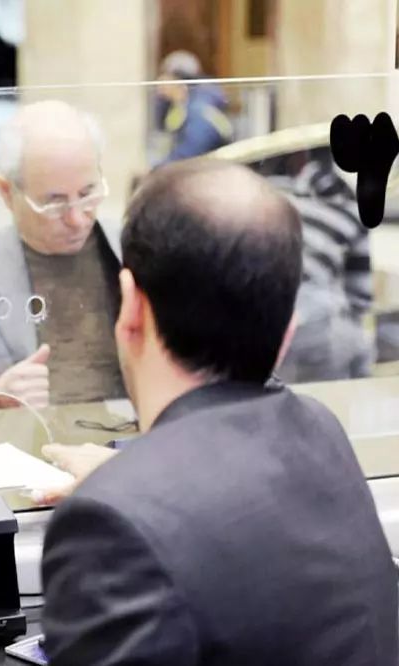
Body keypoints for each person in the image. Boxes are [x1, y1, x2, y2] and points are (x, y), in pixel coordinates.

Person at [39, 159, 398, 664]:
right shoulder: (320, 429)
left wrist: (129, 492)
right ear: (287, 331)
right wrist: (134, 482)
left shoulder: (109, 523)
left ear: (131, 307)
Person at [0, 101, 125, 412]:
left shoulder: (138, 252)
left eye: (88, 194)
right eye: (54, 203)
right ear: (5, 192)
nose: (77, 219)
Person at [265, 147, 375, 382]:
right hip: (321, 329)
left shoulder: (272, 197)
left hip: (265, 324)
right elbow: (361, 297)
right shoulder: (353, 209)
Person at [153, 50, 233, 167]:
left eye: (164, 75)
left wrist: (156, 170)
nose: (159, 81)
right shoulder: (178, 107)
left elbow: (189, 152)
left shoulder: (199, 110)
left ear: (177, 80)